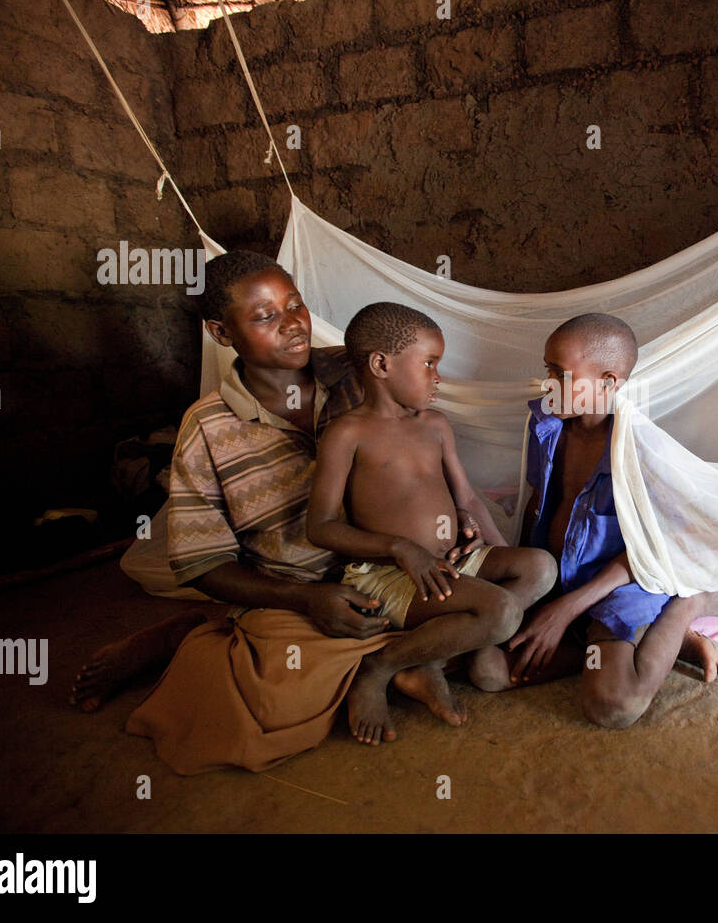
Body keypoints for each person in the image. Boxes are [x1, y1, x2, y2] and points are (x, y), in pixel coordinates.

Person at [70, 252, 461, 773]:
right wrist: (308, 598)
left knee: (491, 637)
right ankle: (186, 635)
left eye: (295, 304)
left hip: (392, 572)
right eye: (264, 316)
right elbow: (202, 562)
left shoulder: (360, 372)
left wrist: (453, 521)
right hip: (298, 595)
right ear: (221, 332)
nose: (293, 323)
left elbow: (426, 454)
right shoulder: (207, 428)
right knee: (272, 700)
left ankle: (390, 662)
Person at [468, 314, 718, 728]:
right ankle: (626, 642)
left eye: (561, 374)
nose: (548, 384)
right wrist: (537, 591)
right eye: (547, 370)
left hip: (620, 585)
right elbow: (540, 505)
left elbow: (657, 547)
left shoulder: (639, 450)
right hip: (559, 578)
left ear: (609, 382)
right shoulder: (547, 426)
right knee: (487, 669)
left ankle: (689, 606)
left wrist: (564, 611)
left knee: (614, 705)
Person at [305, 302, 556, 744]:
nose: (438, 377)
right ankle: (379, 667)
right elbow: (321, 527)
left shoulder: (436, 425)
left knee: (540, 567)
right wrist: (401, 548)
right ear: (381, 364)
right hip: (389, 575)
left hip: (449, 564)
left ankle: (431, 660)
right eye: (429, 363)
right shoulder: (347, 434)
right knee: (502, 612)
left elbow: (466, 500)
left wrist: (475, 535)